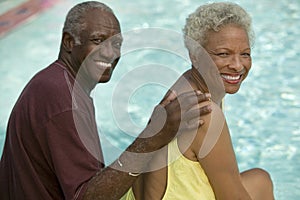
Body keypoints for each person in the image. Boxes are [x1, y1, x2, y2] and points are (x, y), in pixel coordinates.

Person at [0, 1, 213, 200]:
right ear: (69, 42)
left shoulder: (57, 84)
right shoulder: (62, 100)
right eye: (97, 40)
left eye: (117, 43)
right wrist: (152, 138)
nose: (111, 52)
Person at [125, 2, 275, 200]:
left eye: (245, 54)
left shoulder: (189, 83)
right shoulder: (206, 113)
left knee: (260, 180)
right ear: (195, 56)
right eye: (223, 54)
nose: (238, 66)